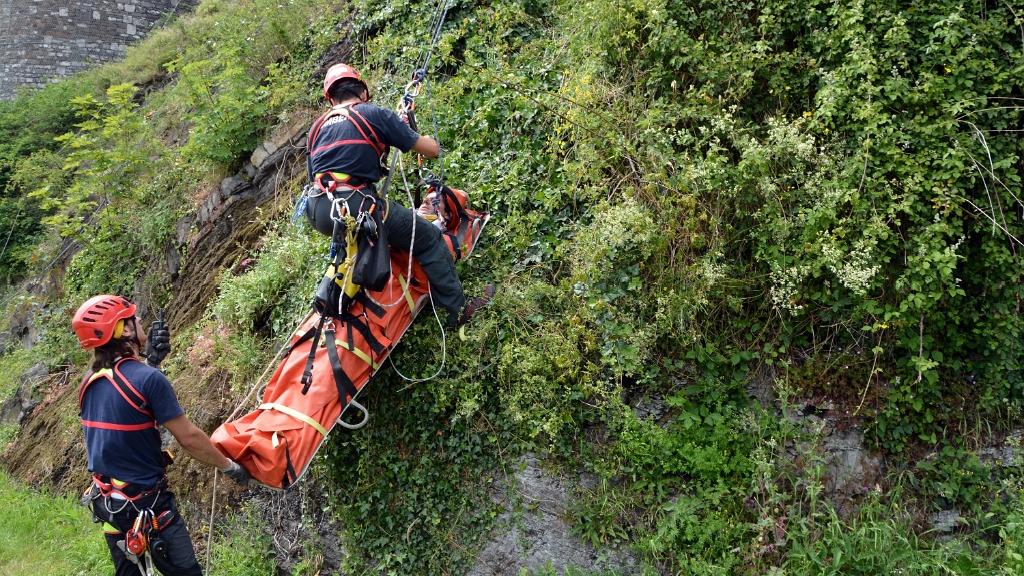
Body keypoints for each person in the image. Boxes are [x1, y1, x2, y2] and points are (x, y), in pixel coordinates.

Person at [73, 295, 250, 576]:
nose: (140, 319)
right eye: (134, 317)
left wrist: (150, 361)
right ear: (126, 330)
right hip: (150, 509)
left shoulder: (90, 382)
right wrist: (230, 467)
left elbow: (127, 406)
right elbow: (189, 438)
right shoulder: (148, 380)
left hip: (111, 509)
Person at [304, 63, 493, 326]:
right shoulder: (373, 114)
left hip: (318, 211)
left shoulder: (317, 128)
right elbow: (431, 150)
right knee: (428, 239)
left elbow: (322, 171)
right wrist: (420, 138)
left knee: (364, 237)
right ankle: (458, 313)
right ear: (363, 90)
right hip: (356, 205)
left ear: (331, 98)